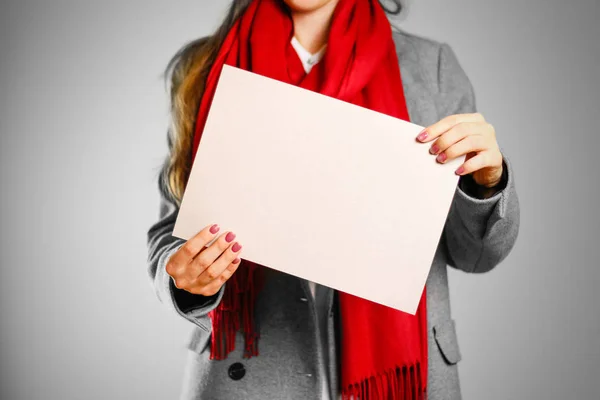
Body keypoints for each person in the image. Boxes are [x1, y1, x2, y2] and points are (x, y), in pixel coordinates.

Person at [146, 0, 520, 399]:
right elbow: (171, 231)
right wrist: (187, 278)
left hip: (404, 374)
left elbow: (475, 256)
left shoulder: (432, 67)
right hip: (248, 370)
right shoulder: (205, 64)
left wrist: (486, 183)